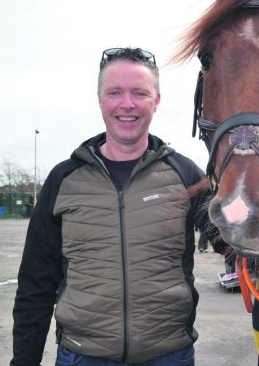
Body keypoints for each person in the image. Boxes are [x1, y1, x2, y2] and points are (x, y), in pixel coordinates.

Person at [11, 47, 209, 365]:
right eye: (115, 92)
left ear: (156, 100)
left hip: (169, 355)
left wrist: (248, 178)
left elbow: (236, 235)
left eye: (139, 93)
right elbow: (35, 283)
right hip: (82, 355)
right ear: (100, 99)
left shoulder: (186, 175)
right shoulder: (63, 180)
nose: (127, 104)